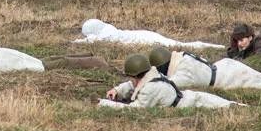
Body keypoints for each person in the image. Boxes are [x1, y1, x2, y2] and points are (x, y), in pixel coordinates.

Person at [102, 54, 242, 109]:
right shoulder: (151, 76)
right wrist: (117, 90)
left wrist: (105, 104)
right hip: (188, 98)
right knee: (228, 105)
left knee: (229, 107)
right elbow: (133, 86)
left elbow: (136, 109)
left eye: (131, 77)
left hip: (190, 102)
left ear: (135, 76)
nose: (130, 80)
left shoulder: (150, 89)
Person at [145, 45, 261, 89]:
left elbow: (168, 84)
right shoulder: (183, 58)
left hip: (227, 77)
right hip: (224, 67)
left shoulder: (185, 72)